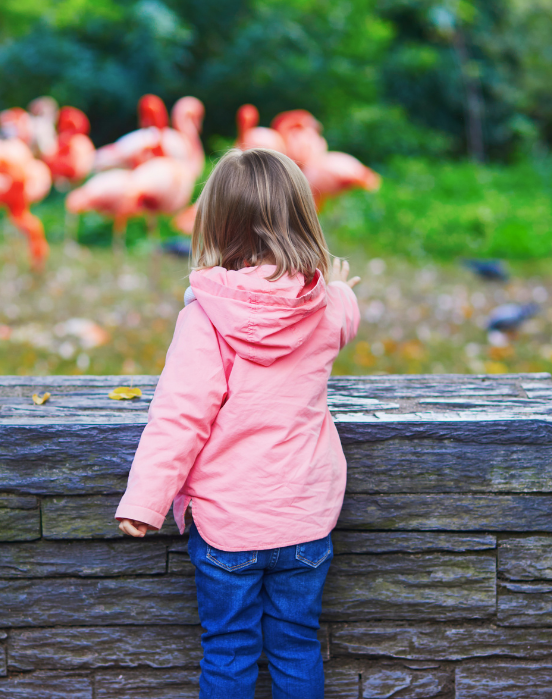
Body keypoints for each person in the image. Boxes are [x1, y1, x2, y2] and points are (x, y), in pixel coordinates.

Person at [115, 147, 361, 698]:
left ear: (215, 221)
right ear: (303, 216)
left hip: (229, 527)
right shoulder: (326, 305)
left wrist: (144, 501)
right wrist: (341, 287)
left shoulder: (205, 317)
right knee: (297, 645)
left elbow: (179, 416)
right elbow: (344, 317)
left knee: (228, 651)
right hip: (304, 520)